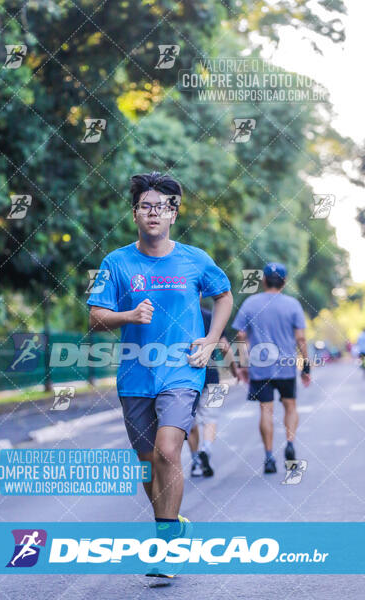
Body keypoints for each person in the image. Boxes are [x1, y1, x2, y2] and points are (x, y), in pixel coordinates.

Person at [87, 171, 233, 576]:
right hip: (136, 374)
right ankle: (170, 528)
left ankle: (166, 550)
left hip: (182, 371)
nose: (154, 213)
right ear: (135, 213)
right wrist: (128, 315)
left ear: (174, 214)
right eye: (146, 206)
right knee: (149, 464)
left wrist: (210, 339)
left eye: (163, 206)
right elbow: (96, 317)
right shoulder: (116, 263)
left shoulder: (194, 259)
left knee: (169, 450)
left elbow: (223, 295)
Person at [232, 262, 310, 474]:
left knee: (266, 410)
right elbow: (300, 338)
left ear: (264, 280)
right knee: (290, 406)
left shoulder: (250, 303)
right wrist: (306, 366)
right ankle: (290, 443)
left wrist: (242, 364)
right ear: (284, 282)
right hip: (285, 367)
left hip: (260, 366)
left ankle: (268, 457)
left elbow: (240, 335)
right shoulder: (293, 304)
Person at [188, 306, 237, 477]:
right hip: (211, 376)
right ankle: (206, 449)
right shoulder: (210, 316)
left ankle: (195, 462)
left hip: (184, 379)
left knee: (190, 422)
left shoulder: (177, 313)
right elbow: (224, 346)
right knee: (211, 418)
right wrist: (234, 368)